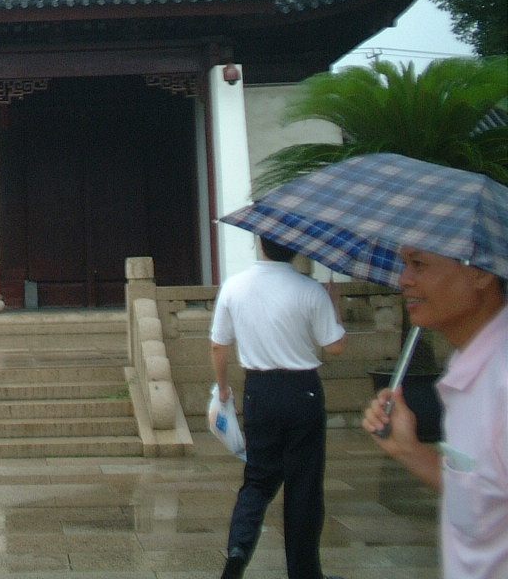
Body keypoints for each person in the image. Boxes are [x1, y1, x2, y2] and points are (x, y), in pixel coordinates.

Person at [361, 246, 507, 579]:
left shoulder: (502, 379)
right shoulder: (467, 363)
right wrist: (409, 449)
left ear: (481, 272)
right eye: (405, 265)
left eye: (419, 265)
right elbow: (482, 500)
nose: (404, 280)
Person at [210, 237, 347, 579]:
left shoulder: (234, 286)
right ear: (296, 247)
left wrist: (224, 389)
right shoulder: (310, 290)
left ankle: (238, 552)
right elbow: (335, 346)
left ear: (259, 242)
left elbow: (218, 346)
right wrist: (335, 306)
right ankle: (304, 572)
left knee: (257, 480)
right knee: (303, 485)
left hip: (259, 391)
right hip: (303, 392)